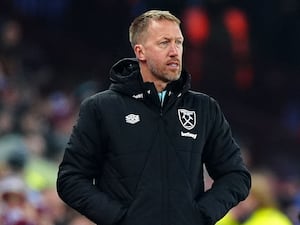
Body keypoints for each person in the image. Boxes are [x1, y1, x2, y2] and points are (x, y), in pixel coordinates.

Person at [56, 9, 251, 225]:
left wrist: (201, 215)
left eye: (179, 42)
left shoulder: (204, 108)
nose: (175, 51)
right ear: (140, 52)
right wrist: (119, 219)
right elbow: (71, 179)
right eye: (164, 42)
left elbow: (236, 176)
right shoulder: (101, 108)